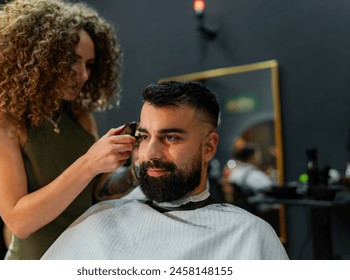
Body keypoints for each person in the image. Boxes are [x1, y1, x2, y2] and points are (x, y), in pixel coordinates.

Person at [41, 81, 288, 260]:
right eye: (145, 136)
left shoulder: (249, 235)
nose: (151, 153)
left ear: (209, 147)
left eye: (170, 137)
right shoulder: (99, 220)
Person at [0, 0, 137, 260]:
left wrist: (138, 168)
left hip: (84, 258)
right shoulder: (0, 120)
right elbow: (19, 222)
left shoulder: (80, 116)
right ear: (42, 56)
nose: (82, 74)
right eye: (72, 60)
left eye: (89, 64)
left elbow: (96, 192)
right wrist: (89, 162)